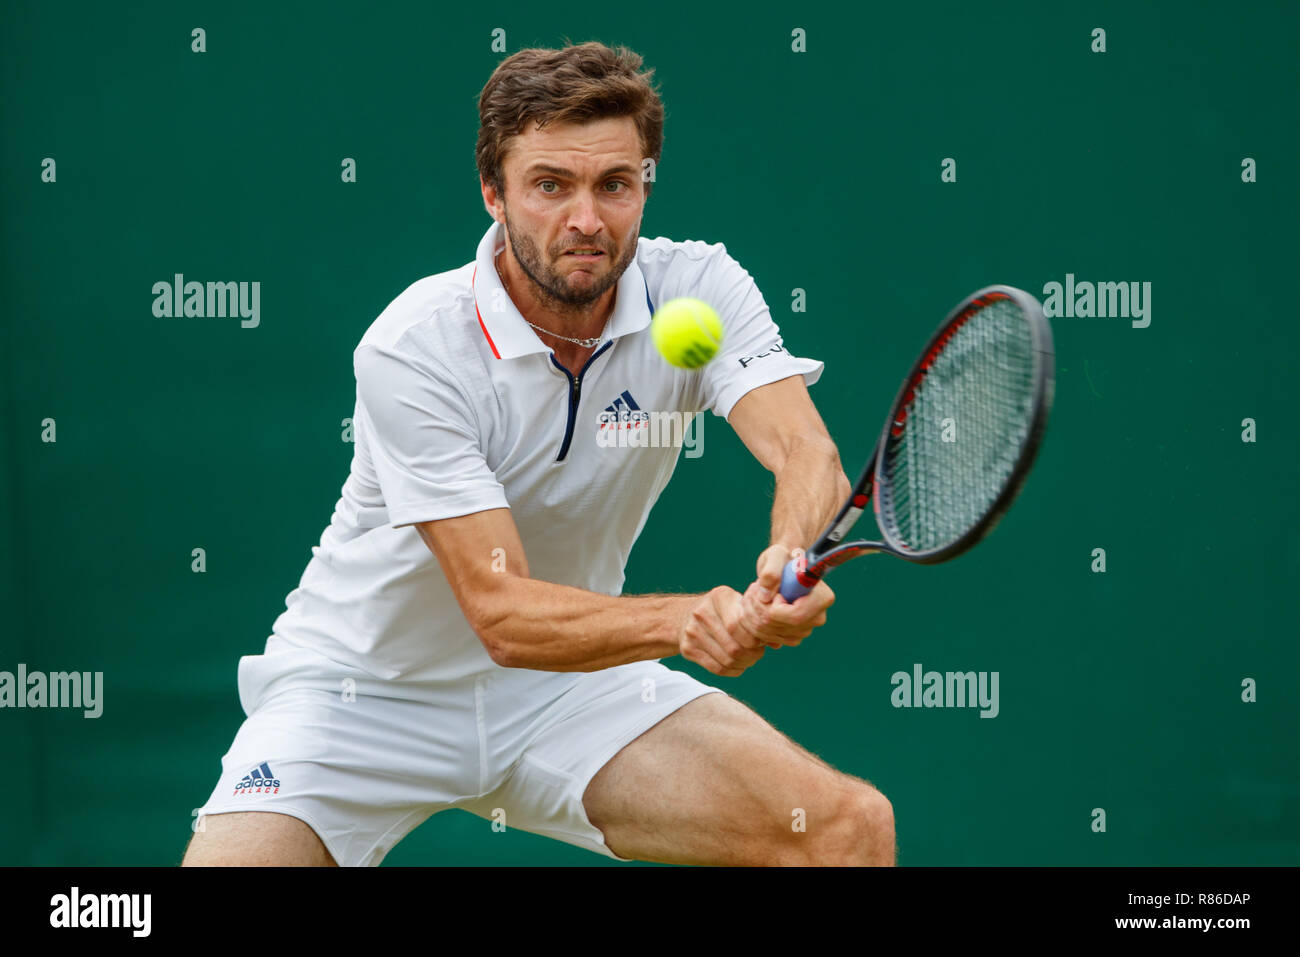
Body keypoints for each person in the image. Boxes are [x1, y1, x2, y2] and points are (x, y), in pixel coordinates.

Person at [183, 40, 895, 867]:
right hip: (360, 695)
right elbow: (501, 610)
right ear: (495, 192)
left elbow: (805, 451)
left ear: (644, 186)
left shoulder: (699, 287)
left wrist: (789, 554)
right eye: (551, 185)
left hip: (570, 691)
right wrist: (683, 619)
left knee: (845, 829)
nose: (586, 219)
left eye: (615, 185)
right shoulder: (415, 346)